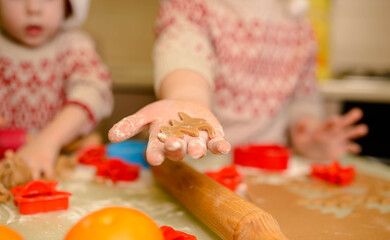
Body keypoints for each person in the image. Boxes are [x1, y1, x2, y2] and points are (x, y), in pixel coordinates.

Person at [109, 0, 368, 165]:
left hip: (269, 171)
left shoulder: (300, 24)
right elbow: (183, 49)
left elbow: (303, 96)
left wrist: (308, 130)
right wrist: (189, 99)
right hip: (199, 163)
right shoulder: (192, 5)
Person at [0, 0, 113, 179]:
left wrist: (48, 141)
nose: (33, 8)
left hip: (64, 166)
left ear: (68, 5)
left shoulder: (74, 46)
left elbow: (93, 91)